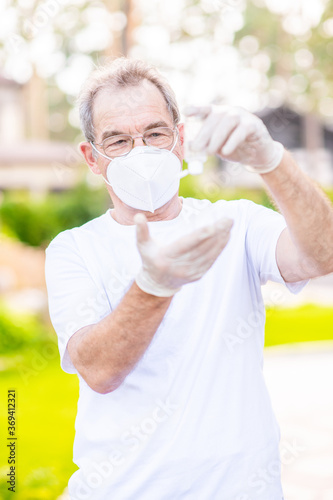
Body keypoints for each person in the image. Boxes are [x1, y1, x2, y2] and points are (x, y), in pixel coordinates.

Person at [45, 57, 333, 500]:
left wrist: (271, 159)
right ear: (92, 158)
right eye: (118, 140)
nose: (141, 152)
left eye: (155, 133)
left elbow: (322, 255)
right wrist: (154, 287)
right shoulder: (74, 250)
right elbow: (99, 370)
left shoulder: (235, 223)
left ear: (180, 140)